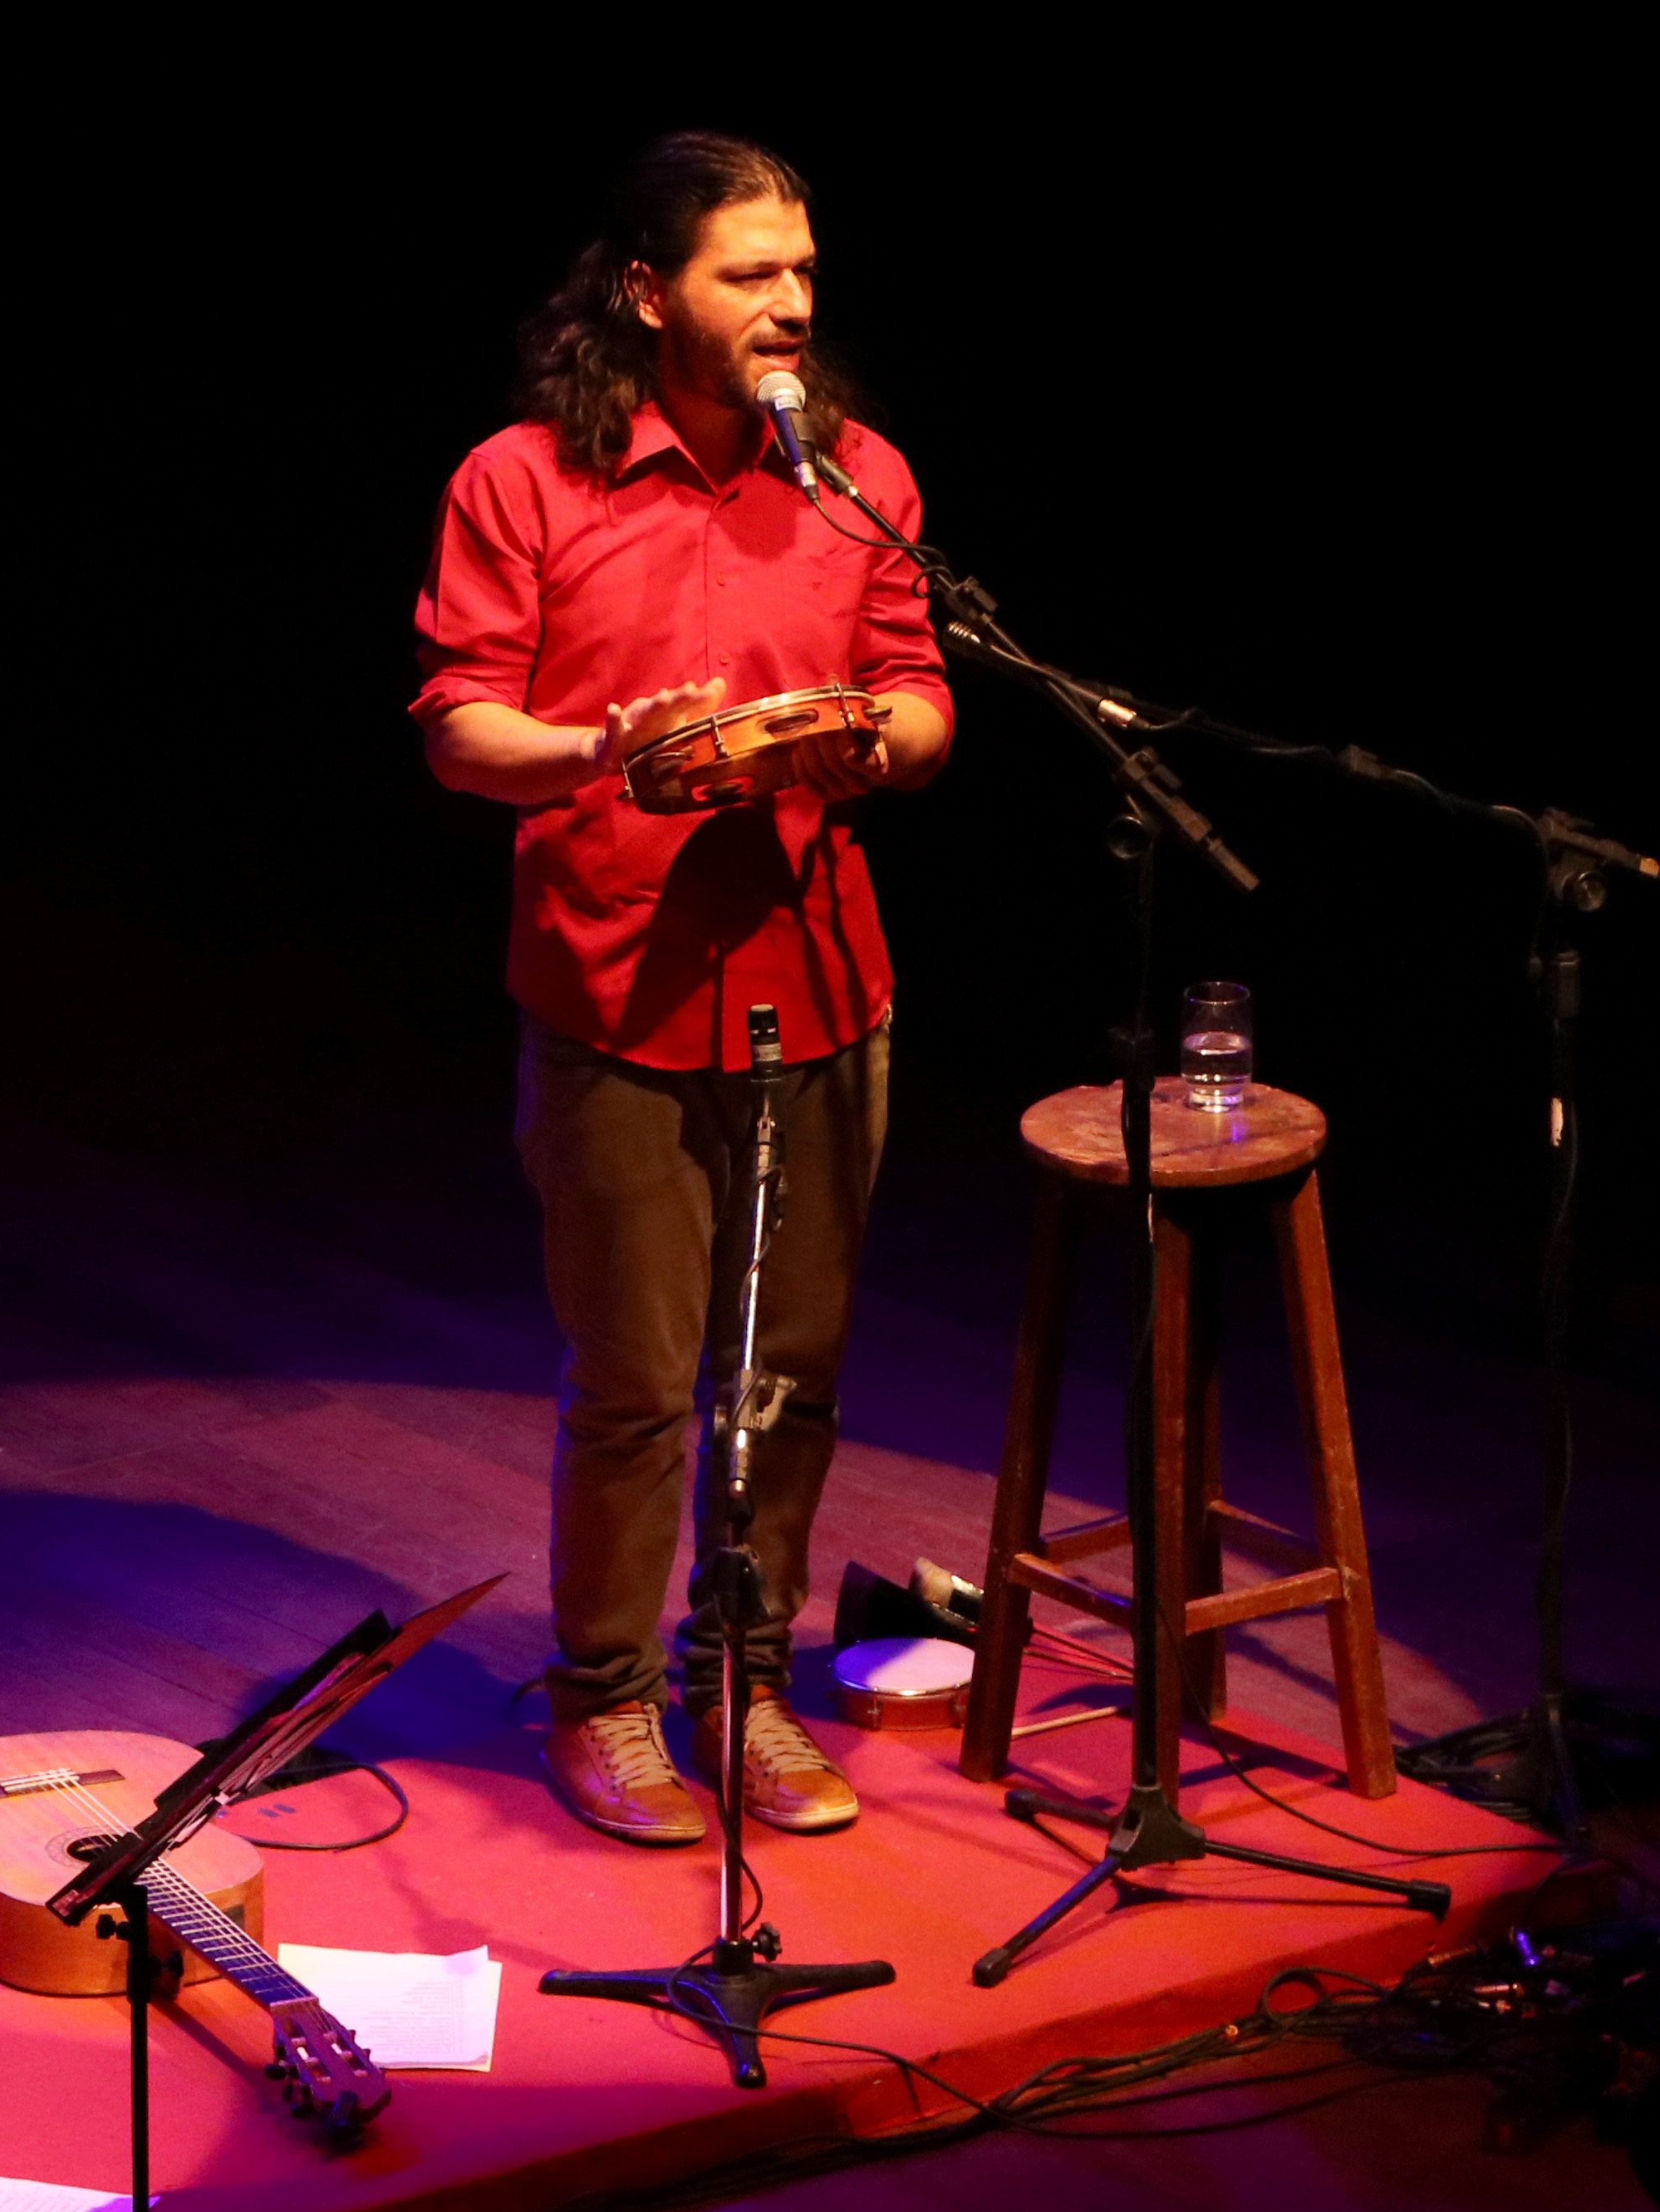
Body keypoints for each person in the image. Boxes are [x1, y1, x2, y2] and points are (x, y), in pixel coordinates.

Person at [412, 132, 957, 1849]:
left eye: (802, 272)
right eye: (749, 273)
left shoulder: (858, 474)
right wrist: (600, 747)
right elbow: (459, 726)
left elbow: (920, 689)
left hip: (821, 978)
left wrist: (872, 738)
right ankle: (605, 1698)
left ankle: (745, 1684)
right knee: (642, 1383)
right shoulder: (523, 481)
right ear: (651, 293)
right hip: (617, 989)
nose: (790, 303)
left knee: (789, 1376)